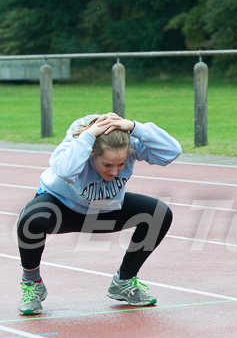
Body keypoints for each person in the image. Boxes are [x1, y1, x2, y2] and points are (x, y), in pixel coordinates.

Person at [16, 113, 182, 315]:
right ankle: (33, 284)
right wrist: (88, 136)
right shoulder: (80, 144)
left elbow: (171, 152)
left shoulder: (131, 144)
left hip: (103, 209)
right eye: (107, 165)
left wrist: (135, 126)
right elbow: (66, 171)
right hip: (62, 208)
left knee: (159, 213)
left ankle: (124, 281)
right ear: (92, 154)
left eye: (121, 165)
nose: (115, 172)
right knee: (32, 218)